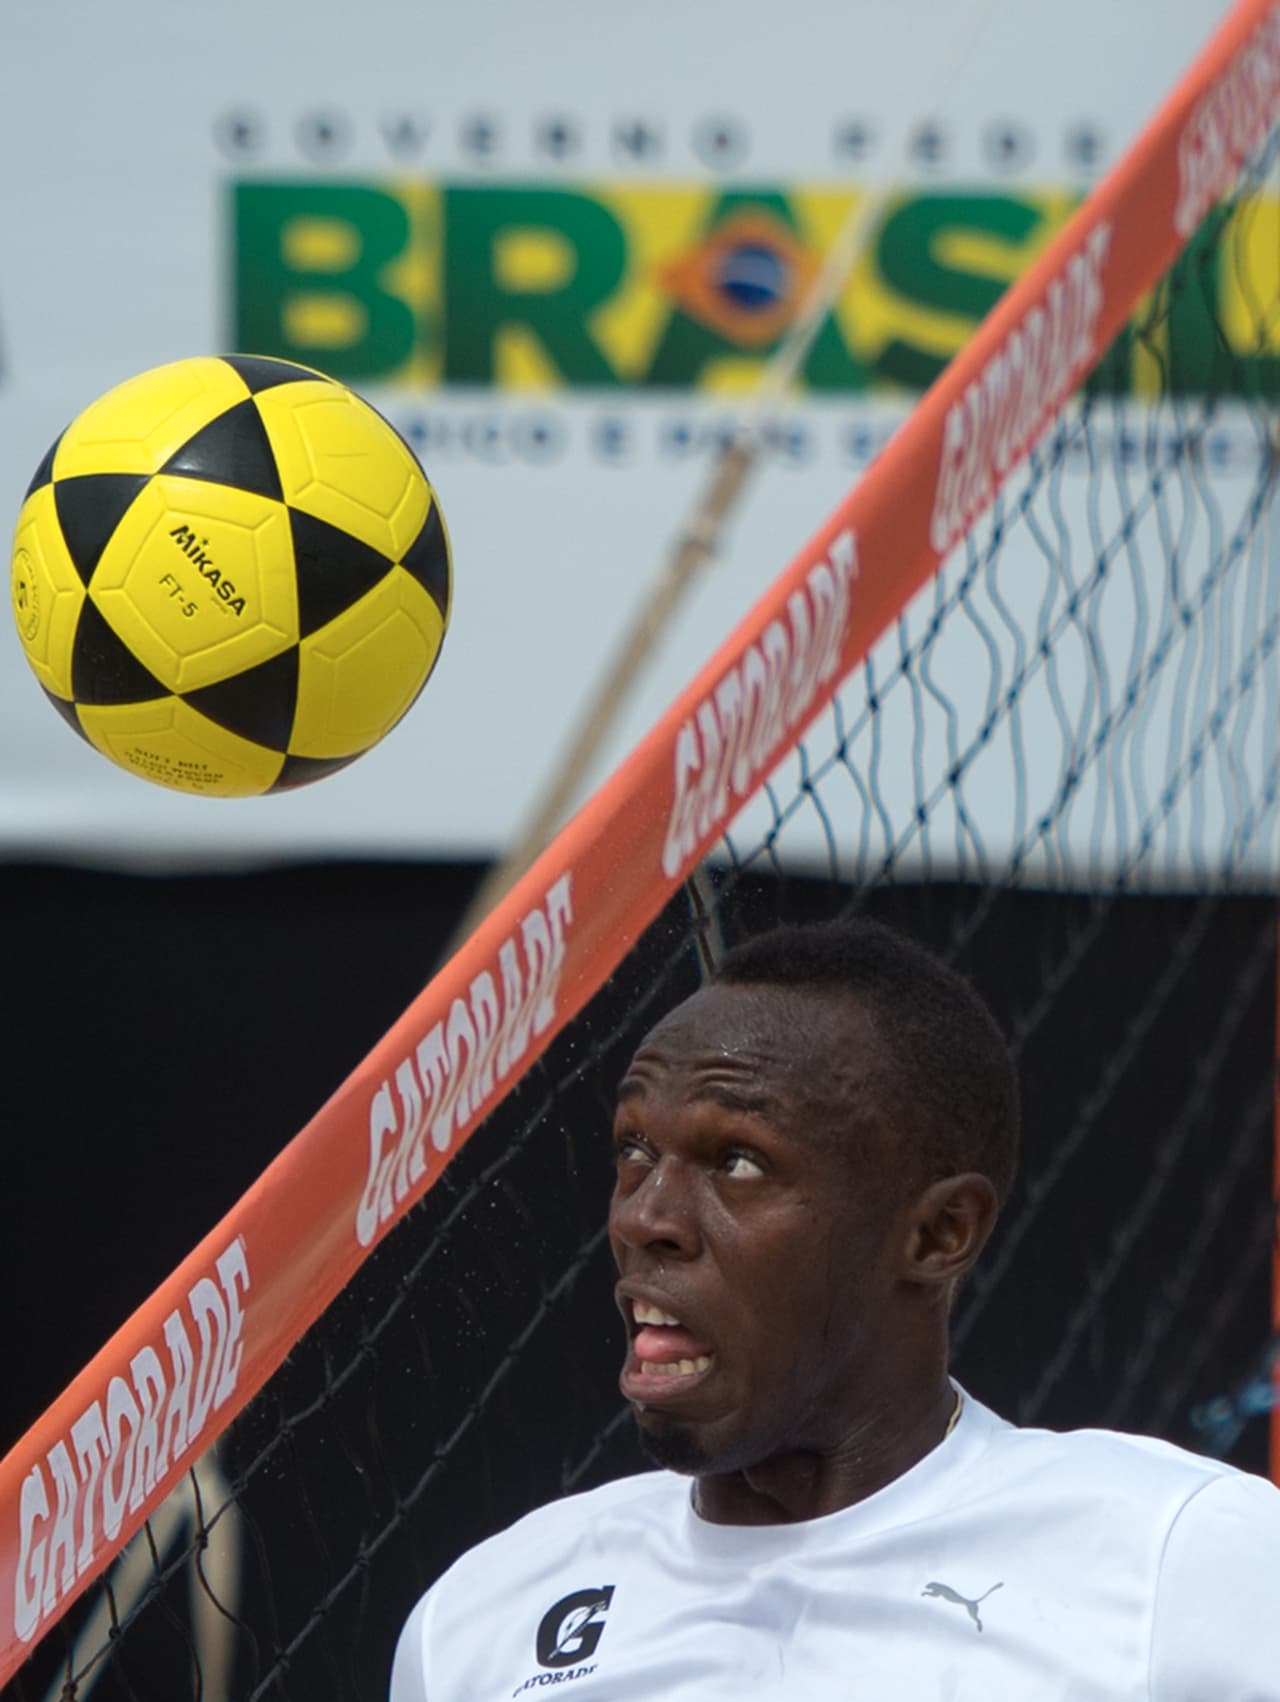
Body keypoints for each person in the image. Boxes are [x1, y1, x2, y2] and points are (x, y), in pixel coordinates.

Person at [390, 916, 1280, 1699]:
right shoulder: (480, 1621)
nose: (644, 1216)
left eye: (737, 1161)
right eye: (634, 1149)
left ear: (938, 1235)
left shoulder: (1180, 1560)